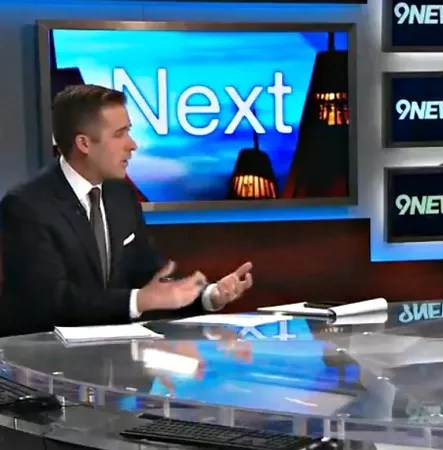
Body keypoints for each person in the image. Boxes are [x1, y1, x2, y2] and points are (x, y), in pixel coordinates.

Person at [0, 84, 254, 337]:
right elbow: (52, 301)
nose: (132, 145)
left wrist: (209, 295)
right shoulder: (26, 206)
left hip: (114, 354)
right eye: (119, 134)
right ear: (84, 143)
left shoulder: (120, 195)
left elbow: (149, 272)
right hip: (45, 355)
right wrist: (137, 301)